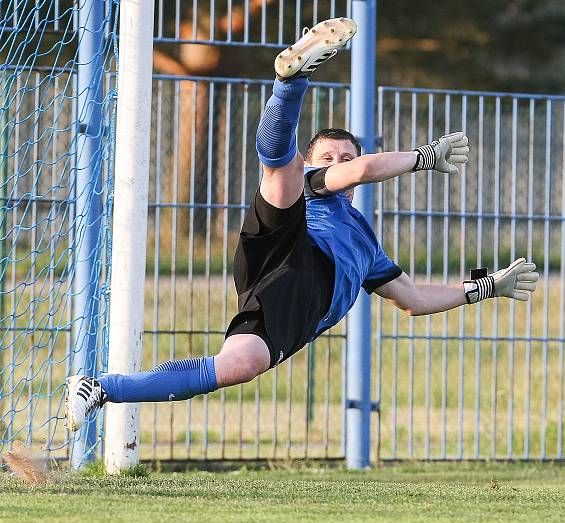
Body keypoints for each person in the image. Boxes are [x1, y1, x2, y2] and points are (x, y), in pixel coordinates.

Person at [66, 17, 539, 431]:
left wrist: (485, 287)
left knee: (239, 365)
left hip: (291, 297)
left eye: (345, 155)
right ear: (318, 162)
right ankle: (290, 82)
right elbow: (363, 170)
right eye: (327, 156)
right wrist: (422, 157)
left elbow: (413, 300)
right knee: (280, 170)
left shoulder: (366, 244)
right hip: (286, 240)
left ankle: (99, 389)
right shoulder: (317, 181)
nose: (338, 162)